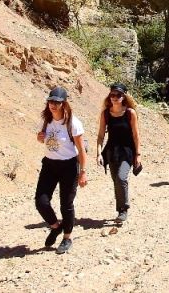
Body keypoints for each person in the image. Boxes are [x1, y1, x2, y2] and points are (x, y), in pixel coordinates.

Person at [35, 86, 88, 254]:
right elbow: (42, 138)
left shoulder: (73, 123)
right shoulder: (46, 119)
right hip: (49, 165)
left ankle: (67, 237)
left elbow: (81, 150)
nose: (53, 105)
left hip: (69, 166)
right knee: (41, 202)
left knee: (66, 204)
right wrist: (39, 137)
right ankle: (56, 226)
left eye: (57, 102)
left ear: (64, 104)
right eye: (51, 101)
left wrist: (83, 172)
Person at [95, 83, 141, 223]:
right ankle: (120, 210)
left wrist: (138, 155)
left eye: (118, 95)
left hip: (127, 151)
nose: (115, 97)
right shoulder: (106, 114)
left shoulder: (130, 113)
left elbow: (136, 135)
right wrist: (98, 153)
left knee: (121, 178)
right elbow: (101, 135)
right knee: (116, 181)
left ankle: (124, 209)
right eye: (112, 95)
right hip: (111, 151)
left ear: (124, 96)